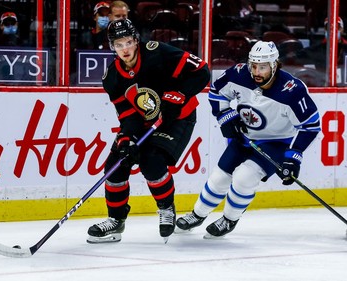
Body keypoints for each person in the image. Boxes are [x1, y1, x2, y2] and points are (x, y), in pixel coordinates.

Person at [176, 41, 320, 239]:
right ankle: (197, 214)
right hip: (244, 136)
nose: (256, 72)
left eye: (262, 67)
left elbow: (310, 125)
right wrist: (225, 116)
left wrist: (293, 157)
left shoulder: (292, 91)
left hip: (276, 143)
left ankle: (229, 219)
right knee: (219, 178)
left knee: (244, 177)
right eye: (253, 66)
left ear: (274, 65)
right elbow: (216, 91)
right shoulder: (239, 74)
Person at [86, 19, 210, 243]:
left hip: (178, 117)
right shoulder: (112, 77)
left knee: (151, 161)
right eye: (118, 44)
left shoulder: (157, 53)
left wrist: (179, 95)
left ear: (136, 41)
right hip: (143, 122)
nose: (125, 49)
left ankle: (166, 209)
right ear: (112, 47)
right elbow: (127, 115)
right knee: (115, 165)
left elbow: (201, 71)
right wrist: (126, 139)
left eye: (128, 42)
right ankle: (115, 221)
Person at [289, 16, 347, 85]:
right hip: (323, 87)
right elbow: (295, 58)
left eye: (337, 27)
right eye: (328, 27)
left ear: (342, 29)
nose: (332, 30)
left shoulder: (345, 49)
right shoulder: (316, 50)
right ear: (324, 30)